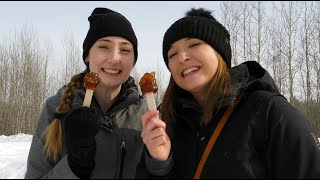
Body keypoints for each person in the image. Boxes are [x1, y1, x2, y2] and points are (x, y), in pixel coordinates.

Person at [136, 7, 320, 178]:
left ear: (220, 54)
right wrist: (159, 163)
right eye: (172, 54)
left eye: (194, 44)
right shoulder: (167, 122)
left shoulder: (269, 112)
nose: (182, 57)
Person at [25, 7, 148, 179]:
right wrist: (73, 167)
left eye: (125, 50)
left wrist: (161, 163)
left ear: (133, 61)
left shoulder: (147, 115)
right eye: (104, 47)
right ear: (87, 56)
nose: (114, 58)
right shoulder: (56, 109)